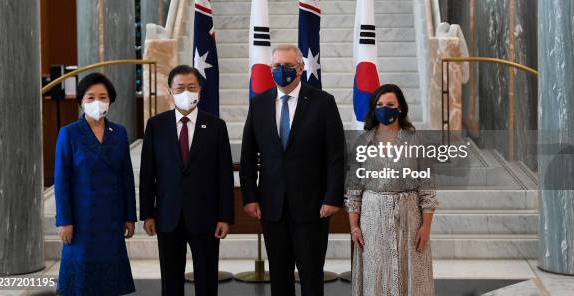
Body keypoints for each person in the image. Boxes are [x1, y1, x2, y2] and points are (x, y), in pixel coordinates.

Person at [240, 44, 346, 296]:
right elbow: (247, 156)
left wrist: (333, 197)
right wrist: (249, 197)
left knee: (311, 276)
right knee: (279, 276)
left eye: (287, 66)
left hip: (313, 208)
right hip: (272, 207)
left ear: (300, 68)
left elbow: (336, 155)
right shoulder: (259, 104)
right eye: (276, 66)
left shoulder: (323, 102)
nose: (281, 71)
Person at [139, 65, 234, 296]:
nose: (186, 92)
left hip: (206, 217)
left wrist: (225, 216)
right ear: (170, 92)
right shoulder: (156, 125)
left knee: (207, 280)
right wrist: (147, 213)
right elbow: (147, 173)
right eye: (180, 88)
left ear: (200, 90)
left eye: (191, 87)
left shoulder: (216, 126)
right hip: (167, 216)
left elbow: (224, 175)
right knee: (171, 282)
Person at [345, 84, 439, 296]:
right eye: (379, 105)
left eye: (390, 104)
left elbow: (428, 189)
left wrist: (426, 227)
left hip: (409, 220)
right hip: (372, 221)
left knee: (411, 276)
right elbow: (353, 191)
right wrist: (354, 226)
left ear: (400, 108)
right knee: (376, 276)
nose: (384, 109)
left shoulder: (416, 140)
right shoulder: (363, 141)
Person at [54, 72, 137, 295]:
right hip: (81, 221)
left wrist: (130, 216)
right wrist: (64, 220)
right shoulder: (69, 133)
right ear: (81, 101)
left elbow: (126, 177)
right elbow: (61, 181)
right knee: (81, 282)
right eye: (90, 97)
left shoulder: (119, 133)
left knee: (110, 281)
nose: (96, 102)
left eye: (102, 96)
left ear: (110, 100)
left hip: (111, 220)